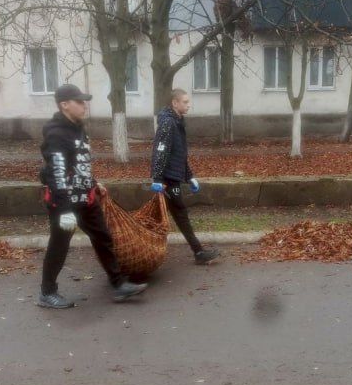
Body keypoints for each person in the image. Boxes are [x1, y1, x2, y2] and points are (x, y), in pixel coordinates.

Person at [38, 83, 147, 309]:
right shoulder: (56, 133)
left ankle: (119, 285)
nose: (84, 105)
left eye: (84, 100)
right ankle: (47, 293)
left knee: (103, 237)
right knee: (59, 246)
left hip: (85, 198)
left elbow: (79, 163)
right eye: (79, 101)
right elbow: (56, 173)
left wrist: (94, 183)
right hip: (64, 202)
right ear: (64, 105)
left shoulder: (78, 128)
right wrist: (65, 209)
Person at [150, 89, 219, 265]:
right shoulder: (168, 123)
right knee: (176, 215)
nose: (189, 105)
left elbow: (178, 154)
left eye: (188, 102)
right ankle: (198, 252)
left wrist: (189, 176)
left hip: (171, 178)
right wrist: (157, 179)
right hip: (167, 180)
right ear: (175, 103)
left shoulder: (177, 122)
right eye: (185, 102)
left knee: (163, 217)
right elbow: (160, 151)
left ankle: (197, 252)